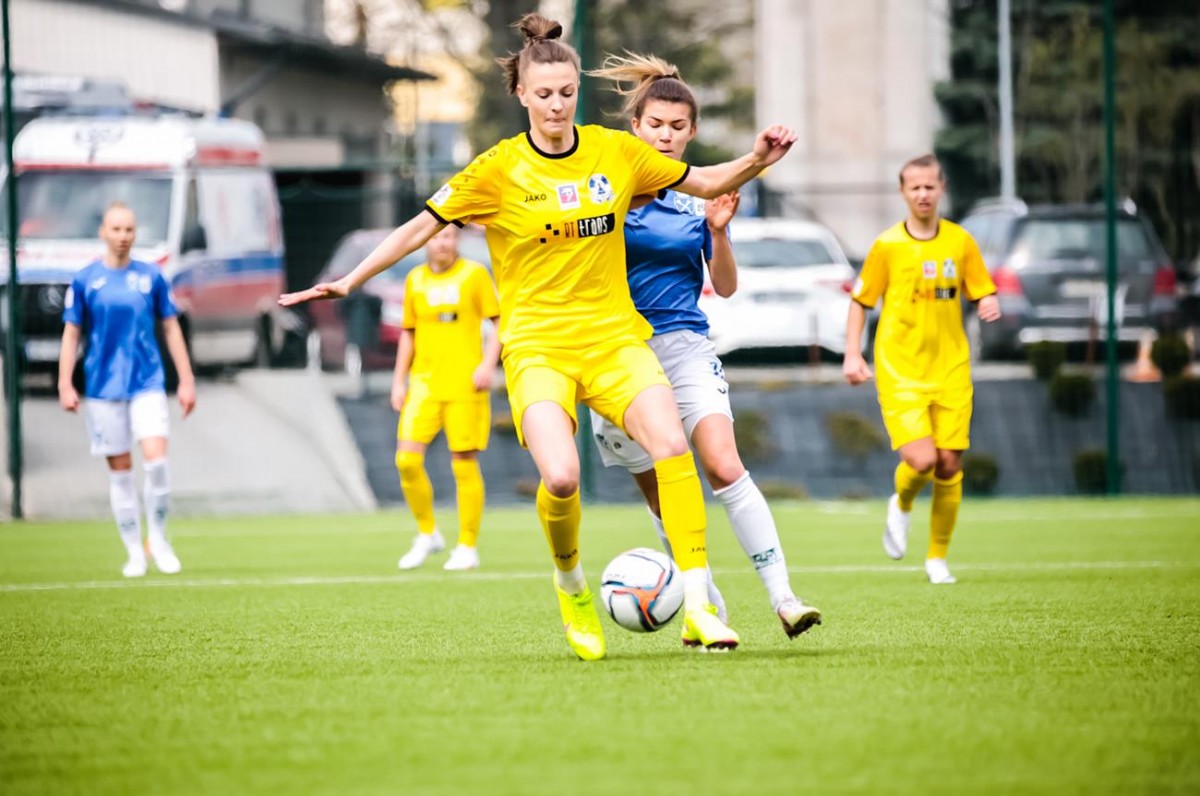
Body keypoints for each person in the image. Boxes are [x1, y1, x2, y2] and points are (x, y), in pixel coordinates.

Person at [280, 12, 796, 660]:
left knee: (672, 447)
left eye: (567, 92)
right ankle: (571, 584)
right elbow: (419, 226)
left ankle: (699, 607)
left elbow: (707, 181)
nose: (557, 104)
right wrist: (350, 279)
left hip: (615, 341)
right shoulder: (497, 169)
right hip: (539, 350)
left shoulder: (614, 151)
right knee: (562, 478)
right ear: (521, 94)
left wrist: (758, 158)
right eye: (545, 93)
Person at [586, 53, 821, 641]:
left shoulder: (699, 199)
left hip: (685, 347)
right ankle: (705, 607)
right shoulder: (602, 194)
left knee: (723, 465)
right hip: (616, 355)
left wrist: (718, 232)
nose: (665, 136)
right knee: (664, 496)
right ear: (634, 128)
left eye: (677, 127)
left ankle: (784, 598)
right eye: (655, 125)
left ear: (691, 133)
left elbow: (727, 286)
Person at [842, 154, 1000, 584]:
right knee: (922, 459)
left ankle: (936, 559)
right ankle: (902, 502)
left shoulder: (960, 241)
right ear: (903, 192)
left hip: (951, 368)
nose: (923, 194)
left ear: (941, 188)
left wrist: (988, 300)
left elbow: (981, 288)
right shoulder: (888, 246)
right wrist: (853, 354)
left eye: (930, 186)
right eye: (915, 187)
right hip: (900, 369)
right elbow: (859, 301)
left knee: (948, 464)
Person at [58, 202, 197, 578]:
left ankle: (160, 541)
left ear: (136, 234)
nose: (123, 236)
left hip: (147, 383)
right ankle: (134, 551)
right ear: (103, 232)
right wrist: (65, 383)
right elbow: (72, 334)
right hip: (103, 388)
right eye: (116, 229)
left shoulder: (151, 277)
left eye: (129, 230)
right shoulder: (86, 280)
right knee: (120, 472)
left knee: (157, 461)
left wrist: (186, 380)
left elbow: (171, 327)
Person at [392, 225, 501, 571]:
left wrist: (488, 364)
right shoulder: (415, 279)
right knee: (406, 461)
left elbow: (499, 322)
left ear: (457, 240)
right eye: (437, 236)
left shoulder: (474, 274)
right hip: (424, 384)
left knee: (463, 463)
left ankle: (467, 545)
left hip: (465, 384)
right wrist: (398, 381)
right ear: (426, 241)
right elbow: (408, 332)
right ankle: (427, 533)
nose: (442, 242)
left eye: (449, 236)